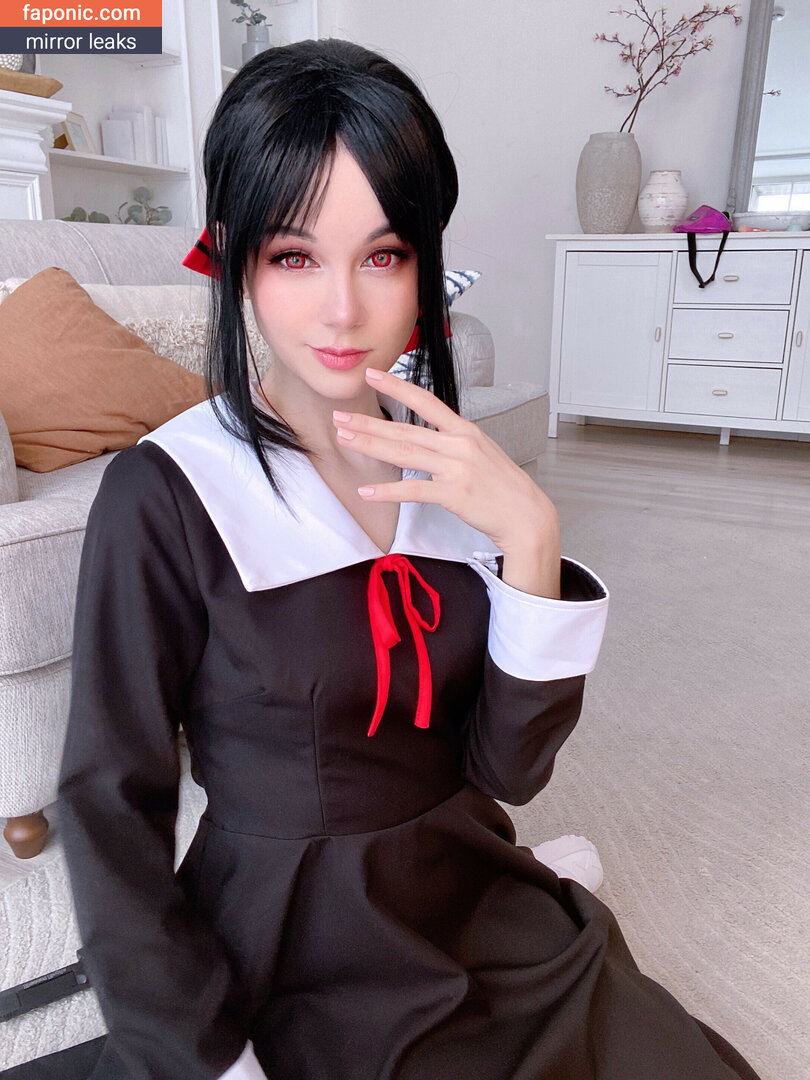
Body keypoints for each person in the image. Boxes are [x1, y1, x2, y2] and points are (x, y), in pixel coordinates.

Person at [56, 38, 762, 1080]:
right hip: (290, 951)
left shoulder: (454, 475)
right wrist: (202, 1058)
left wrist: (531, 540)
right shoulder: (166, 492)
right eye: (294, 256)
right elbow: (107, 806)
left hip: (471, 899)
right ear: (237, 260)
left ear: (426, 266)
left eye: (383, 256)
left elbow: (506, 773)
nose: (343, 310)